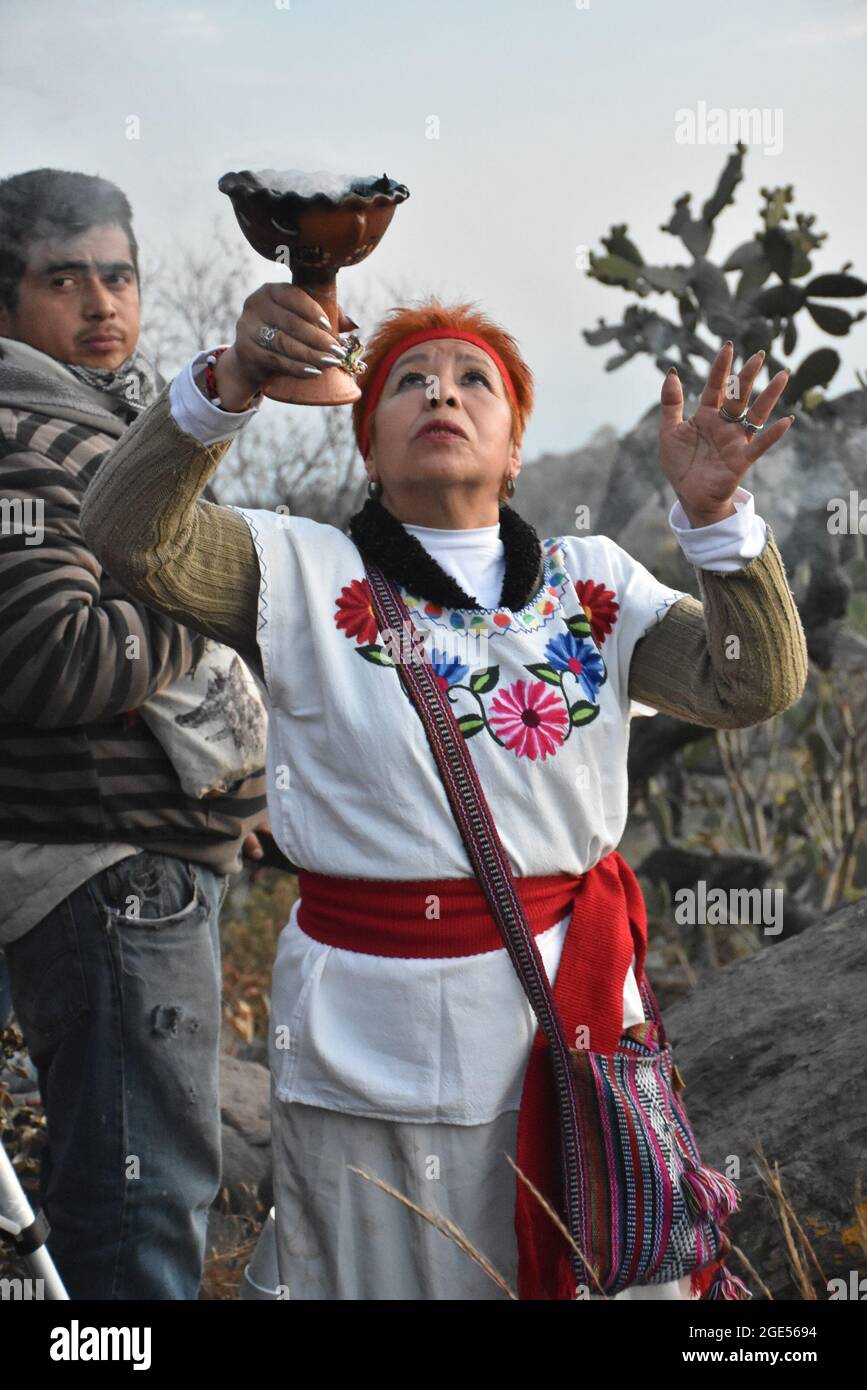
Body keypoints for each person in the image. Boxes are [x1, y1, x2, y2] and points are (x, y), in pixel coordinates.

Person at [79, 282, 808, 1300]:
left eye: (477, 381)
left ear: (514, 451)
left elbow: (752, 679)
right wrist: (229, 383)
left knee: (578, 1253)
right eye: (407, 381)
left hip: (566, 1014)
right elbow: (125, 536)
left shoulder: (592, 586)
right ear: (367, 447)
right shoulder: (298, 567)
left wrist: (718, 518)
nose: (442, 392)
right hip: (360, 1021)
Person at [0, 169, 269, 1299]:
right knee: (140, 1206)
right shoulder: (26, 435)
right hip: (105, 870)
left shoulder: (95, 423)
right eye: (64, 279)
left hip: (138, 861)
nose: (102, 303)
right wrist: (195, 593)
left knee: (140, 1192)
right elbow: (50, 655)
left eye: (119, 276)